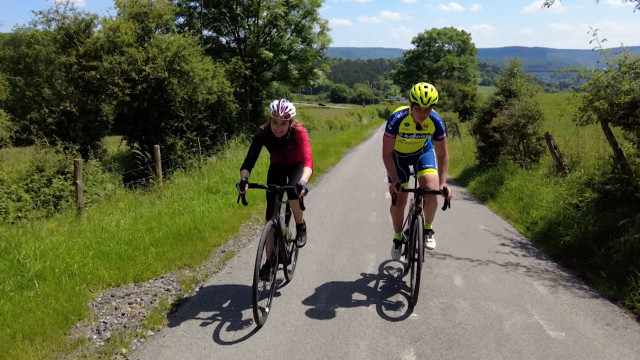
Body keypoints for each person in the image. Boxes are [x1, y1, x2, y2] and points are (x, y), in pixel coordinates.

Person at [382, 82, 452, 261]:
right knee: (400, 199)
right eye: (419, 108)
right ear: (411, 106)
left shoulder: (435, 121)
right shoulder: (397, 119)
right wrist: (395, 181)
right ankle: (398, 238)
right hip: (398, 157)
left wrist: (443, 183)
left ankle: (427, 228)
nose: (423, 113)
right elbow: (387, 154)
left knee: (431, 190)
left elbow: (442, 155)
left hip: (422, 152)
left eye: (428, 109)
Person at [237, 99, 313, 253]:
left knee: (293, 192)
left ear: (290, 123)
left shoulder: (298, 131)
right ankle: (269, 262)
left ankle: (300, 225)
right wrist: (244, 179)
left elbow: (308, 160)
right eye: (275, 122)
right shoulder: (263, 132)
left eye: (283, 123)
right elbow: (249, 161)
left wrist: (303, 182)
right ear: (269, 120)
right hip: (277, 166)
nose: (278, 128)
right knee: (270, 214)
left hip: (296, 166)